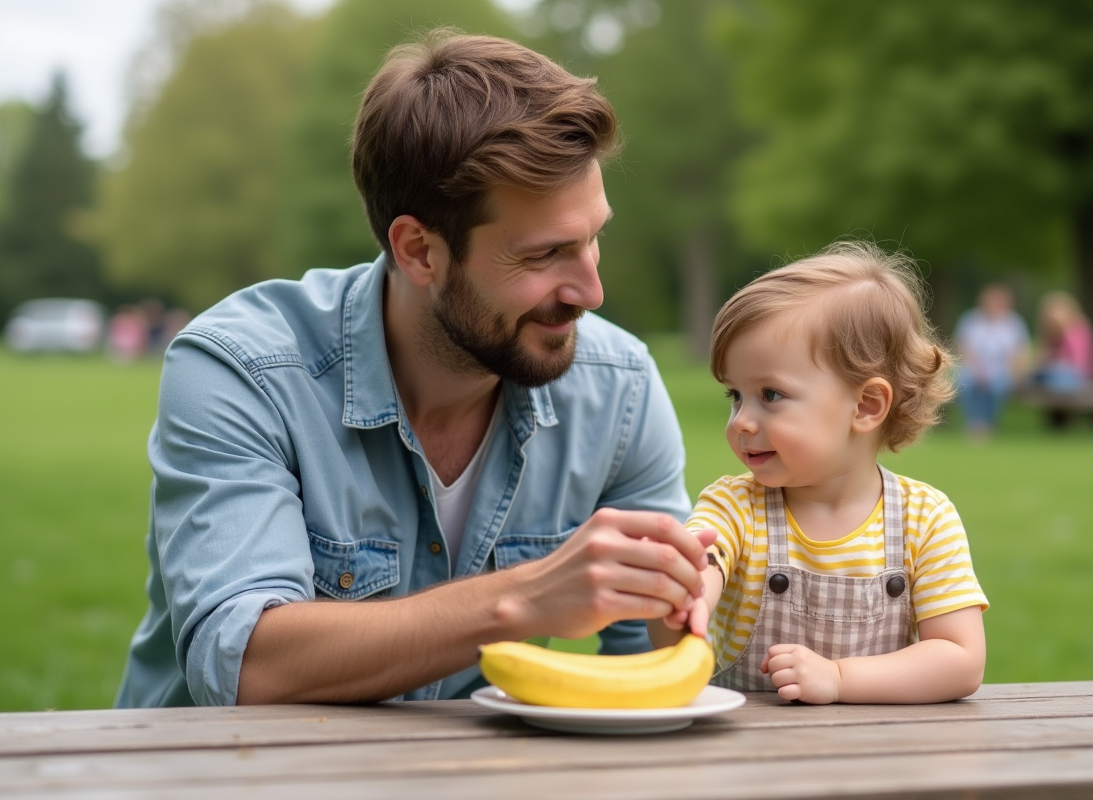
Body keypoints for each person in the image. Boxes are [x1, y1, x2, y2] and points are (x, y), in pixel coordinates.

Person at [115, 31, 715, 708]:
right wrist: (527, 598)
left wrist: (708, 584)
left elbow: (659, 669)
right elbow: (245, 665)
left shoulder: (620, 388)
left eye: (593, 239)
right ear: (419, 251)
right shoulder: (242, 370)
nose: (590, 291)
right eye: (545, 255)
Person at [649, 242, 988, 704]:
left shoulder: (923, 520)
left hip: (881, 764)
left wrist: (840, 678)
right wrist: (685, 597)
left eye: (770, 395)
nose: (742, 421)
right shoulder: (733, 507)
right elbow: (706, 561)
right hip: (747, 762)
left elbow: (960, 659)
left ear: (866, 406)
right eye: (735, 396)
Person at [953, 283, 1029, 440]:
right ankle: (974, 423)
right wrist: (978, 369)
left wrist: (1014, 371)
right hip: (973, 368)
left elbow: (1019, 353)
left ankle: (987, 424)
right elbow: (962, 349)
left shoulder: (1014, 323)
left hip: (1003, 371)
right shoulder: (970, 320)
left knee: (996, 385)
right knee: (965, 381)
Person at [1032, 290, 1093, 394]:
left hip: (1077, 375)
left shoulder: (1078, 326)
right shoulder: (1049, 331)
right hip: (1053, 373)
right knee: (1037, 375)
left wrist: (1064, 330)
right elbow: (1042, 357)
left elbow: (1078, 361)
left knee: (1057, 373)